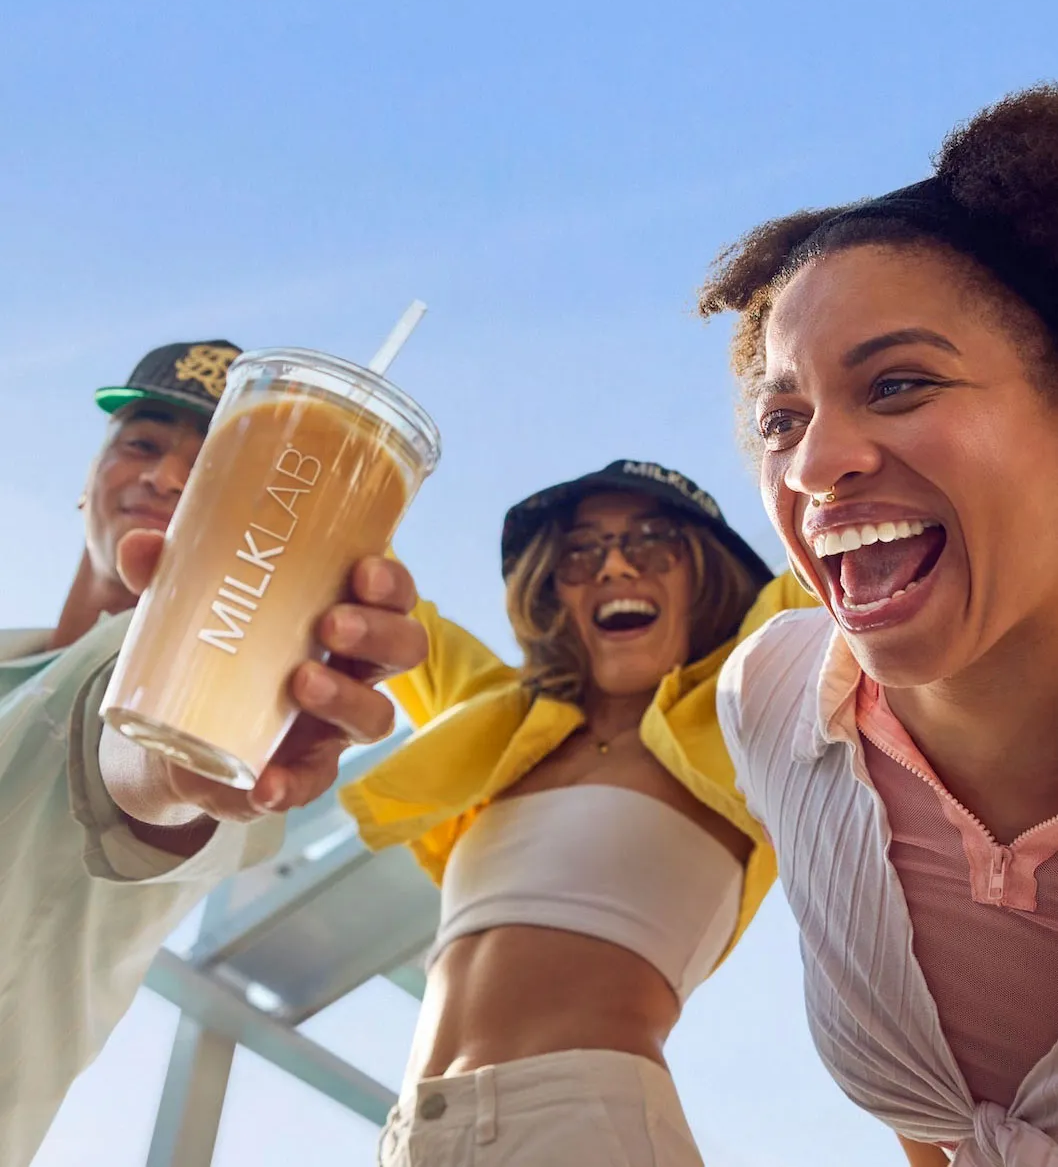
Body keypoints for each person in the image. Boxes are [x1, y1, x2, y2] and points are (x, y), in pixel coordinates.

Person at [700, 85, 1058, 1166]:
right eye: (780, 420)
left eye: (896, 384)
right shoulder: (771, 702)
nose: (812, 466)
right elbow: (939, 1130)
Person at [1, 339, 424, 1166]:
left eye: (211, 461)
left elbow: (144, 771)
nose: (163, 476)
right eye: (142, 442)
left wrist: (196, 758)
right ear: (89, 477)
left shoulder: (191, 688)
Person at [342, 458, 814, 1166]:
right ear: (554, 589)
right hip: (415, 1131)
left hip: (586, 1124)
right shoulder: (497, 714)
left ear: (705, 575)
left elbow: (830, 534)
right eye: (579, 552)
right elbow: (353, 566)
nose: (616, 566)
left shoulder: (748, 705)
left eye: (655, 541)